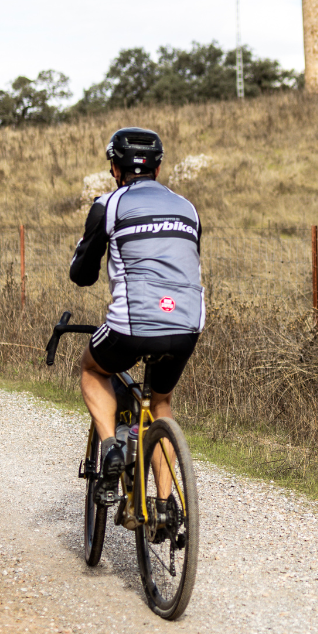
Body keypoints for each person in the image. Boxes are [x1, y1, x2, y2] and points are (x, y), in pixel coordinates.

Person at [68, 128, 204, 511]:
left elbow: (82, 274)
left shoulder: (108, 205)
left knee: (93, 368)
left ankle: (111, 448)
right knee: (161, 401)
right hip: (186, 324)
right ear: (158, 169)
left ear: (114, 167)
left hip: (132, 325)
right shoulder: (188, 208)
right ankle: (164, 505)